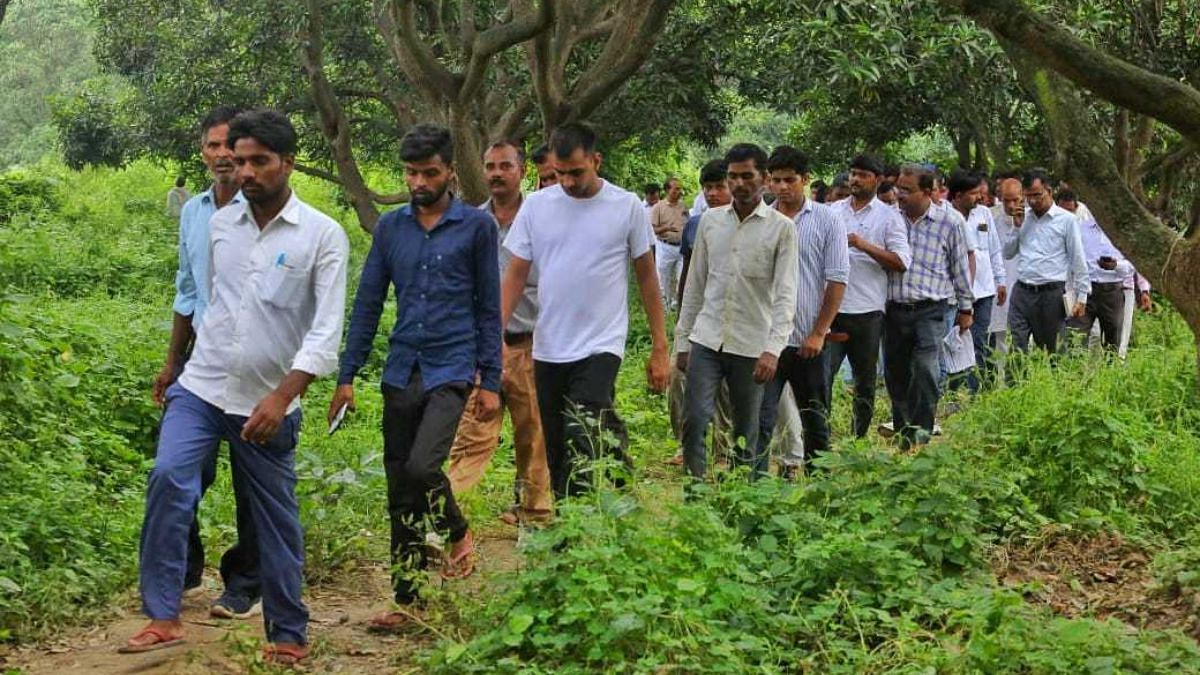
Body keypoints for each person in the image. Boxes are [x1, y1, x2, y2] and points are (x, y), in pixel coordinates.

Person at [124, 109, 349, 666]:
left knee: (273, 516)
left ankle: (288, 632)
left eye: (258, 161)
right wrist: (176, 365)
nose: (244, 170)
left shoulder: (322, 235)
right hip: (202, 387)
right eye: (239, 160)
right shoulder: (220, 223)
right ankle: (163, 615)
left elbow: (324, 334)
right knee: (170, 478)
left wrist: (282, 395)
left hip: (267, 401)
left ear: (287, 164)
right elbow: (205, 302)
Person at [330, 123, 500, 632]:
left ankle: (458, 531)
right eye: (411, 172)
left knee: (425, 467)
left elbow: (489, 308)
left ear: (449, 171)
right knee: (400, 484)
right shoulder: (391, 228)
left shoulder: (475, 228)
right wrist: (347, 374)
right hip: (402, 368)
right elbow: (367, 303)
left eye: (429, 172)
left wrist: (490, 379)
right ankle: (409, 600)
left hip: (452, 367)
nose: (419, 181)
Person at [500, 123, 670, 498]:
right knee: (558, 445)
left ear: (596, 160)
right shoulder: (538, 207)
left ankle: (584, 522)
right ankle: (569, 524)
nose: (567, 182)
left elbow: (646, 277)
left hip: (601, 342)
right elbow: (515, 275)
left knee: (580, 430)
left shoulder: (625, 206)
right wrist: (495, 336)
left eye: (576, 171)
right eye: (559, 173)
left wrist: (660, 346)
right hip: (549, 345)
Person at [150, 105, 262, 621]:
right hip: (200, 358)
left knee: (250, 474)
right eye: (212, 146)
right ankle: (183, 567)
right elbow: (187, 290)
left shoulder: (260, 207)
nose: (221, 156)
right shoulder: (195, 210)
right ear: (203, 152)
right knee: (180, 467)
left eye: (229, 147)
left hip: (253, 358)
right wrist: (172, 362)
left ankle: (244, 582)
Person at [674, 145, 798, 480]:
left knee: (748, 428)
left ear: (764, 179)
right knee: (695, 419)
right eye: (733, 176)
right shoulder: (710, 224)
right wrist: (682, 343)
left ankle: (749, 498)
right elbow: (695, 286)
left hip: (752, 344)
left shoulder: (782, 229)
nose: (739, 183)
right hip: (707, 339)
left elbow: (786, 295)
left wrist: (774, 350)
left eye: (747, 175)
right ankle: (695, 494)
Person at [447, 141, 551, 525]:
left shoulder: (542, 219)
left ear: (522, 171)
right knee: (472, 436)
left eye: (505, 166)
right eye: (489, 166)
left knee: (533, 436)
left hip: (530, 345)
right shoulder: (471, 223)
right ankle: (446, 521)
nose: (495, 173)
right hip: (482, 349)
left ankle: (535, 517)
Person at [757, 145, 848, 477]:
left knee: (815, 417)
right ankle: (757, 485)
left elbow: (837, 278)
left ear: (805, 180)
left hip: (809, 340)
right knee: (762, 418)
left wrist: (819, 332)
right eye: (776, 180)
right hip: (767, 339)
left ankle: (819, 487)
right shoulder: (761, 218)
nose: (783, 187)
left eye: (790, 180)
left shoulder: (827, 220)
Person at [884, 163, 972, 448]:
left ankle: (922, 431)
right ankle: (903, 434)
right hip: (893, 308)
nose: (900, 195)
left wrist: (966, 308)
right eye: (898, 188)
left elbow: (959, 267)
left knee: (925, 370)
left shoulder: (950, 222)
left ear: (927, 192)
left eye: (907, 190)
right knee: (896, 374)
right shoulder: (889, 219)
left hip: (930, 310)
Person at [828, 154, 910, 438]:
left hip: (868, 310)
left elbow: (901, 262)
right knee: (822, 377)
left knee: (864, 381)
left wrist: (862, 244)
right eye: (852, 173)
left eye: (862, 174)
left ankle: (858, 439)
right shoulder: (833, 211)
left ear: (877, 179)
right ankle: (819, 436)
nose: (855, 179)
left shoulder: (889, 217)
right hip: (832, 310)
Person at [667, 160, 733, 467]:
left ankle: (724, 450)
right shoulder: (696, 224)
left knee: (725, 390)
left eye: (720, 186)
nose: (713, 193)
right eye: (708, 188)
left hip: (731, 318)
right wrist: (683, 319)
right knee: (679, 378)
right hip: (698, 314)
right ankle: (685, 446)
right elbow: (688, 275)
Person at [1002, 169, 1090, 354]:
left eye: (1037, 195)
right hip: (1022, 291)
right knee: (1016, 348)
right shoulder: (1023, 217)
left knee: (1053, 350)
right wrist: (1016, 227)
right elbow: (1008, 253)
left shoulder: (1067, 220)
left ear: (1049, 191)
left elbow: (1078, 259)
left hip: (1051, 294)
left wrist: (1082, 296)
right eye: (1028, 197)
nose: (1033, 201)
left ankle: (1053, 382)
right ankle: (1016, 383)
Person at [946, 170, 1005, 392]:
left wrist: (1000, 280)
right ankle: (954, 391)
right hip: (956, 292)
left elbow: (994, 248)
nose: (979, 197)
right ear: (958, 195)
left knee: (980, 341)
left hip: (985, 289)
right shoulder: (947, 216)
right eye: (973, 193)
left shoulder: (984, 214)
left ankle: (978, 391)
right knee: (955, 342)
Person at [1060, 189, 1129, 351]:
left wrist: (1116, 265)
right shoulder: (1080, 228)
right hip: (1085, 290)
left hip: (1112, 291)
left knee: (1113, 341)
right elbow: (1070, 260)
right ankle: (1076, 374)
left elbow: (1131, 267)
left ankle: (1110, 373)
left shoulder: (1122, 234)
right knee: (1076, 338)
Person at [987, 175, 1023, 370]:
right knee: (999, 341)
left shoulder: (1033, 220)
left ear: (1023, 196)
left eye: (1015, 200)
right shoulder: (991, 219)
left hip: (1024, 291)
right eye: (1006, 200)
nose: (1010, 205)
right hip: (999, 289)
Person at [651, 177, 690, 310]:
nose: (679, 191)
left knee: (683, 278)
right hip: (665, 247)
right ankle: (664, 307)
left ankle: (677, 304)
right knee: (663, 279)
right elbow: (654, 230)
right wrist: (666, 228)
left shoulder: (683, 206)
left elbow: (688, 223)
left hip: (682, 248)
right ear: (668, 190)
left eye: (680, 189)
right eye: (676, 189)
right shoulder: (658, 207)